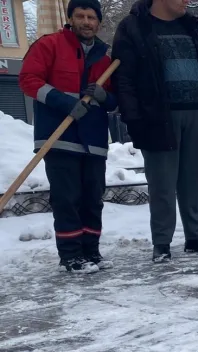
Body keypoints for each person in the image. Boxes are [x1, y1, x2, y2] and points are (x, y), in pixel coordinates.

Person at [112, 0, 198, 262]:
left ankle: (195, 236)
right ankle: (162, 242)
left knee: (194, 180)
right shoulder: (133, 27)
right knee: (162, 183)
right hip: (159, 115)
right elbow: (125, 77)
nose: (187, 1)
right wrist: (134, 118)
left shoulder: (191, 25)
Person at [18, 0, 116, 273]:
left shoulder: (106, 58)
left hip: (94, 141)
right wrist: (63, 102)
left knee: (92, 199)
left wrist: (105, 96)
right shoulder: (49, 45)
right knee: (67, 199)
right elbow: (28, 80)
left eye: (91, 17)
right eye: (81, 16)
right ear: (71, 18)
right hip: (59, 137)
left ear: (98, 22)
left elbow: (115, 101)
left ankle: (91, 251)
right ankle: (71, 256)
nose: (86, 22)